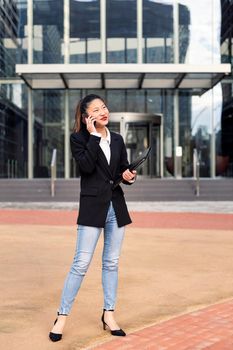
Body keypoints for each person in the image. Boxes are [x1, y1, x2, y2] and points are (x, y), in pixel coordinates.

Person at [49, 94, 136, 342]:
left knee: (111, 262)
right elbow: (86, 167)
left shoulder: (118, 139)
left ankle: (108, 314)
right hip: (91, 207)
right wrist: (95, 137)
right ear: (87, 116)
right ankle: (62, 316)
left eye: (104, 107)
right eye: (96, 110)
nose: (103, 112)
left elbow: (121, 170)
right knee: (81, 263)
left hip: (115, 207)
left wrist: (129, 175)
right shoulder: (79, 139)